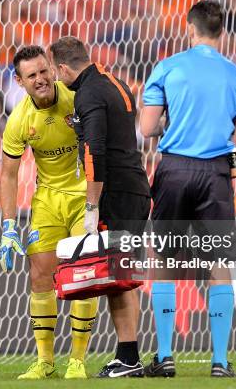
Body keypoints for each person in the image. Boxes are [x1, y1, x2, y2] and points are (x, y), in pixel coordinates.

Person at [140, 0, 236, 378]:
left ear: (190, 28)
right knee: (218, 264)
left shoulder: (168, 67)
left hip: (174, 169)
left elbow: (147, 127)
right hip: (216, 173)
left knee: (166, 261)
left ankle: (166, 356)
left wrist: (171, 119)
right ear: (222, 31)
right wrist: (227, 177)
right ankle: (219, 361)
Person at [49, 37, 151, 378]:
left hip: (117, 192)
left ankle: (128, 358)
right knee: (123, 276)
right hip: (134, 187)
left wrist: (91, 206)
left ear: (63, 68)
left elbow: (95, 152)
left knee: (117, 278)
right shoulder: (116, 83)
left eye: (55, 71)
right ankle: (129, 355)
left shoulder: (88, 94)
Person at [0, 45, 98, 380]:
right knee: (39, 273)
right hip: (47, 200)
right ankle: (45, 361)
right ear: (20, 81)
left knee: (84, 274)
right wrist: (9, 227)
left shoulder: (76, 99)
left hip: (84, 196)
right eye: (31, 75)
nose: (40, 79)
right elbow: (9, 175)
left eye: (44, 71)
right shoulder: (19, 119)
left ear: (54, 69)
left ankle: (78, 360)